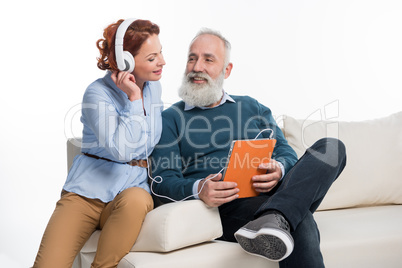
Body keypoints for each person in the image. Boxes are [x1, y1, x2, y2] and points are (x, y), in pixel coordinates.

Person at [150, 28, 346, 267]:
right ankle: (281, 216)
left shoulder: (252, 107)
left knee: (332, 147)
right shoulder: (169, 118)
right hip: (227, 207)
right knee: (300, 220)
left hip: (277, 193)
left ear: (227, 70)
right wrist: (199, 188)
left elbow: (285, 153)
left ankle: (278, 215)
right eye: (192, 58)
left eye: (208, 59)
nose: (197, 67)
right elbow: (161, 182)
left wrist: (280, 169)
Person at [33, 18, 165, 268]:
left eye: (161, 53)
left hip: (129, 195)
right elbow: (121, 148)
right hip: (85, 195)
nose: (162, 62)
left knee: (137, 200)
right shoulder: (97, 93)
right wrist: (133, 98)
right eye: (152, 58)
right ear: (125, 62)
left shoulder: (155, 89)